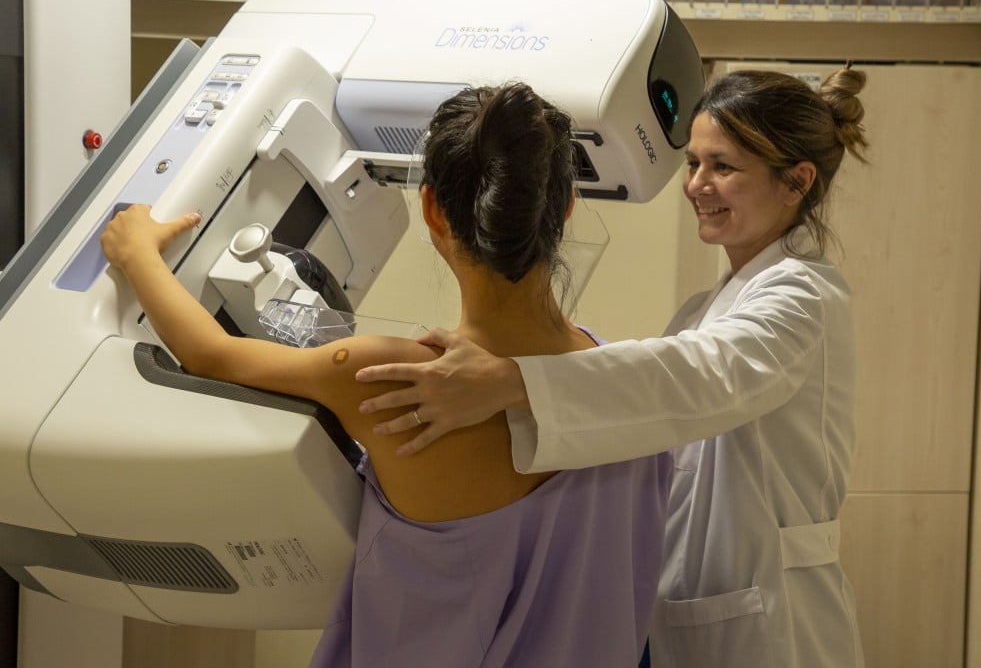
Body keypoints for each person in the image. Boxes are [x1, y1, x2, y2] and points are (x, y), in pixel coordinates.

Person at [100, 82, 672, 667]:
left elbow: (211, 355)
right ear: (567, 207)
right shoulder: (632, 388)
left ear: (431, 209)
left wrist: (136, 251)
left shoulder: (393, 377)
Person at [356, 66, 869, 668]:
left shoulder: (803, 297)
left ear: (797, 181)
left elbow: (698, 377)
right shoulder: (705, 309)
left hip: (775, 634)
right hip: (689, 619)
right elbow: (642, 409)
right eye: (694, 163)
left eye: (723, 167)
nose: (698, 184)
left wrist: (510, 381)